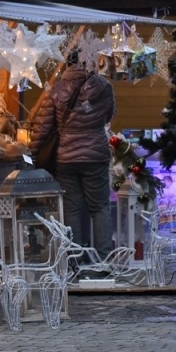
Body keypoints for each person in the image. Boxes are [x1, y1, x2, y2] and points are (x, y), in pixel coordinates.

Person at [29, 50, 116, 257]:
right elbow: (109, 115)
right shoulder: (104, 86)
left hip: (66, 157)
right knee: (100, 207)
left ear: (68, 63)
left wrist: (33, 153)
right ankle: (103, 258)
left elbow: (44, 126)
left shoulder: (58, 88)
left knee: (72, 208)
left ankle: (75, 259)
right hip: (96, 155)